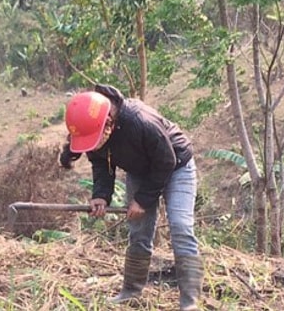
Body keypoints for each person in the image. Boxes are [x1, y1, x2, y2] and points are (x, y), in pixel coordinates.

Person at [60, 85, 202, 310]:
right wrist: (101, 196)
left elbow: (166, 161)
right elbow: (101, 163)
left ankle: (189, 302)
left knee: (181, 227)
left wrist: (143, 200)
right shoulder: (94, 131)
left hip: (176, 166)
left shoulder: (140, 122)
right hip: (140, 171)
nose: (92, 145)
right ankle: (131, 291)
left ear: (109, 123)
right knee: (138, 231)